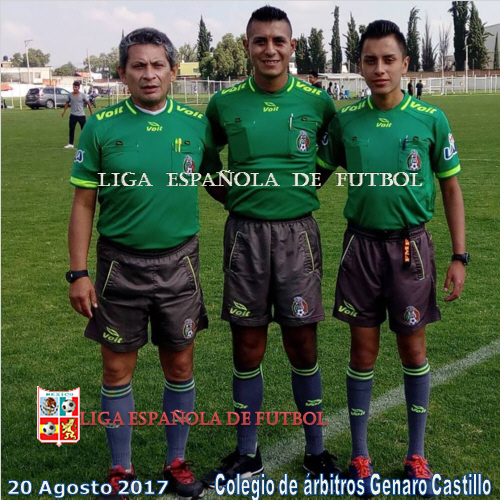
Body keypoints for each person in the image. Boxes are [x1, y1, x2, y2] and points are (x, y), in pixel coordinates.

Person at [67, 27, 219, 500]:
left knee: (180, 364)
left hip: (180, 263)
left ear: (173, 72)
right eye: (139, 65)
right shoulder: (101, 126)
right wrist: (78, 273)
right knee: (116, 370)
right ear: (122, 73)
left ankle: (176, 461)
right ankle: (121, 469)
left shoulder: (196, 125)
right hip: (119, 265)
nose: (149, 74)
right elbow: (83, 203)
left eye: (158, 65)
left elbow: (218, 182)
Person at [317, 20, 468, 498]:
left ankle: (415, 455)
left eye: (388, 59)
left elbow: (451, 188)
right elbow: (314, 175)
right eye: (370, 60)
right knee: (362, 352)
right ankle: (360, 456)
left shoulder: (430, 118)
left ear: (405, 63)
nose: (379, 68)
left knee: (413, 351)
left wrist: (460, 256)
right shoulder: (345, 121)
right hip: (361, 248)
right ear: (360, 66)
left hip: (410, 249)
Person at [199, 5, 342, 489]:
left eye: (278, 40)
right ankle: (248, 453)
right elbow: (204, 160)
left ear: (292, 46)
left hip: (298, 235)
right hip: (245, 236)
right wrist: (235, 196)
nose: (269, 49)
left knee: (303, 342)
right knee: (247, 345)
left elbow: (331, 154)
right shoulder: (224, 104)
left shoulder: (318, 102)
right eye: (260, 40)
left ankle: (316, 451)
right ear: (247, 46)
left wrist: (299, 189)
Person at [61, 81, 93, 149]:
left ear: (78, 87)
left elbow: (88, 103)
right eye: (73, 87)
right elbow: (67, 103)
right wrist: (64, 111)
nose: (74, 88)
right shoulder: (70, 95)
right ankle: (71, 144)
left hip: (81, 115)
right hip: (73, 115)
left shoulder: (82, 95)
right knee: (71, 129)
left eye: (76, 87)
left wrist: (91, 113)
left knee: (84, 130)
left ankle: (85, 143)